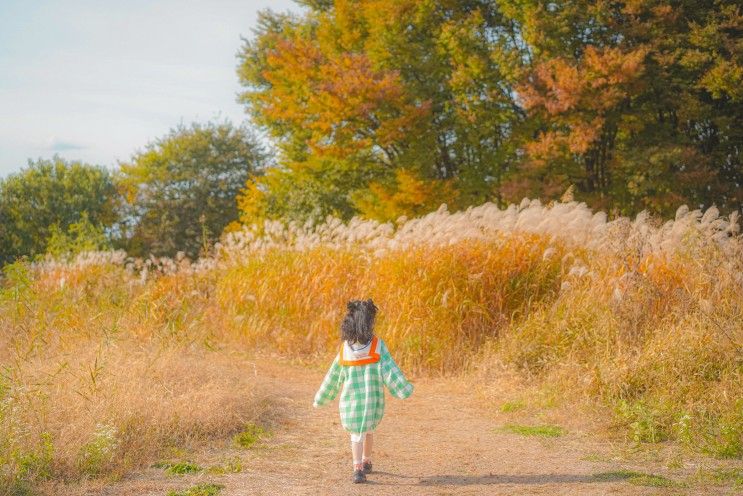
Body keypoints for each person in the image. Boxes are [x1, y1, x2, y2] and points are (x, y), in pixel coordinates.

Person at [313, 298, 414, 483]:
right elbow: (391, 370)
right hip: (372, 401)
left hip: (352, 403)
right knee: (367, 430)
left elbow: (333, 376)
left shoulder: (345, 350)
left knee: (358, 433)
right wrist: (404, 388)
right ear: (368, 323)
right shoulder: (376, 346)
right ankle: (360, 466)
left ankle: (362, 464)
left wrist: (321, 397)